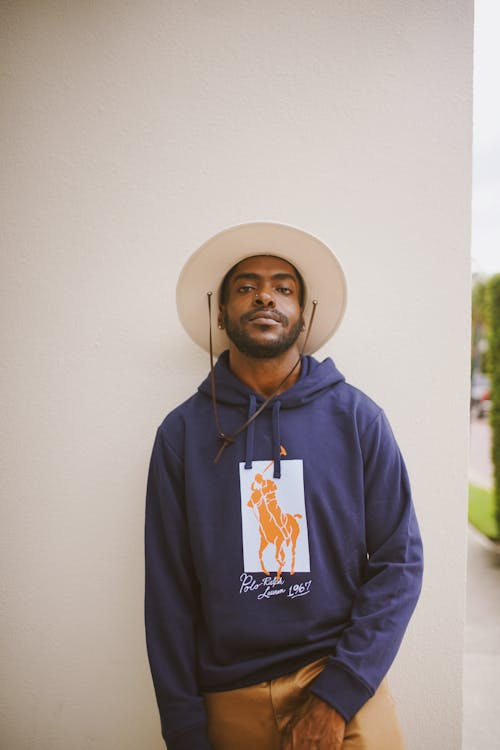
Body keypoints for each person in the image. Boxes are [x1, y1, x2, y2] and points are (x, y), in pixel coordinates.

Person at [145, 222, 423, 750]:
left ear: (305, 314)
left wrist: (336, 697)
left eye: (284, 287)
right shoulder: (181, 434)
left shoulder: (358, 418)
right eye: (246, 286)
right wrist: (183, 728)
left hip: (341, 679)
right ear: (221, 314)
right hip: (229, 690)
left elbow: (399, 563)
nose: (265, 295)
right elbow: (168, 593)